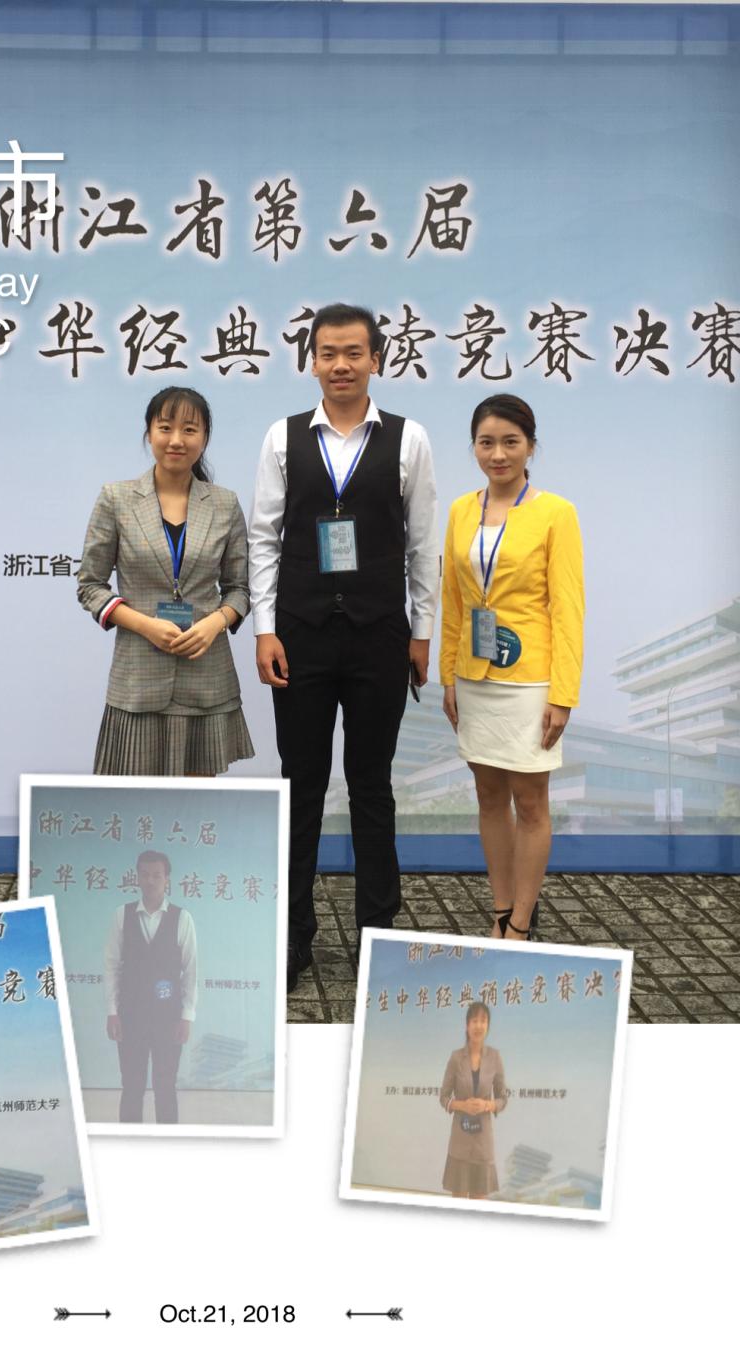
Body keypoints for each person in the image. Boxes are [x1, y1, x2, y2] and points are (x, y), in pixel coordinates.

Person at [248, 302, 439, 991]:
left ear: (376, 359)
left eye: (354, 352)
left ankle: (377, 936)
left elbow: (423, 545)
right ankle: (294, 937)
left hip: (380, 636)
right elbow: (264, 538)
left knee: (372, 786)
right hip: (298, 635)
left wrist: (422, 632)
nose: (341, 365)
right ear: (312, 362)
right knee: (300, 786)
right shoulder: (283, 437)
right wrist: (265, 628)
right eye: (328, 353)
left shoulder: (409, 439)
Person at [440, 394, 584, 941]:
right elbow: (454, 600)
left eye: (510, 442)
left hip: (531, 681)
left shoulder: (556, 513)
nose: (497, 454)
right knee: (488, 797)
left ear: (530, 447)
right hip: (475, 675)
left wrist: (563, 694)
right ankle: (500, 909)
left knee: (530, 801)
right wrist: (448, 676)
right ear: (474, 447)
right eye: (486, 442)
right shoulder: (461, 510)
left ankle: (522, 922)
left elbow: (568, 609)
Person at [78, 387, 253, 776]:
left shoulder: (225, 503)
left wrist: (215, 623)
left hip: (207, 676)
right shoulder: (116, 499)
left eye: (189, 429)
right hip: (138, 679)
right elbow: (90, 585)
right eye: (165, 427)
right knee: (136, 801)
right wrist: (145, 626)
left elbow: (240, 589)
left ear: (205, 438)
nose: (177, 440)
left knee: (196, 805)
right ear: (149, 433)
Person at [103, 849, 197, 1124]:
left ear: (167, 879)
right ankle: (128, 1141)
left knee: (165, 1085)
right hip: (130, 1015)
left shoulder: (182, 918)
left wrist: (187, 1016)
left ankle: (167, 1143)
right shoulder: (122, 915)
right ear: (137, 878)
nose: (151, 880)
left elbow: (191, 971)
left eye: (157, 875)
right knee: (131, 1085)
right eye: (145, 874)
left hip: (169, 1017)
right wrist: (112, 1012)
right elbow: (111, 966)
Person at [439, 1001, 507, 1199]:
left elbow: (503, 1098)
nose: (479, 1025)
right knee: (458, 1204)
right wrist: (462, 1105)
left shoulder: (495, 1057)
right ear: (467, 1025)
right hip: (460, 1142)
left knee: (478, 1205)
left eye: (483, 1021)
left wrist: (488, 1105)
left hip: (483, 1143)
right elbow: (444, 1097)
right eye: (474, 1020)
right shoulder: (456, 1058)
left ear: (488, 1026)